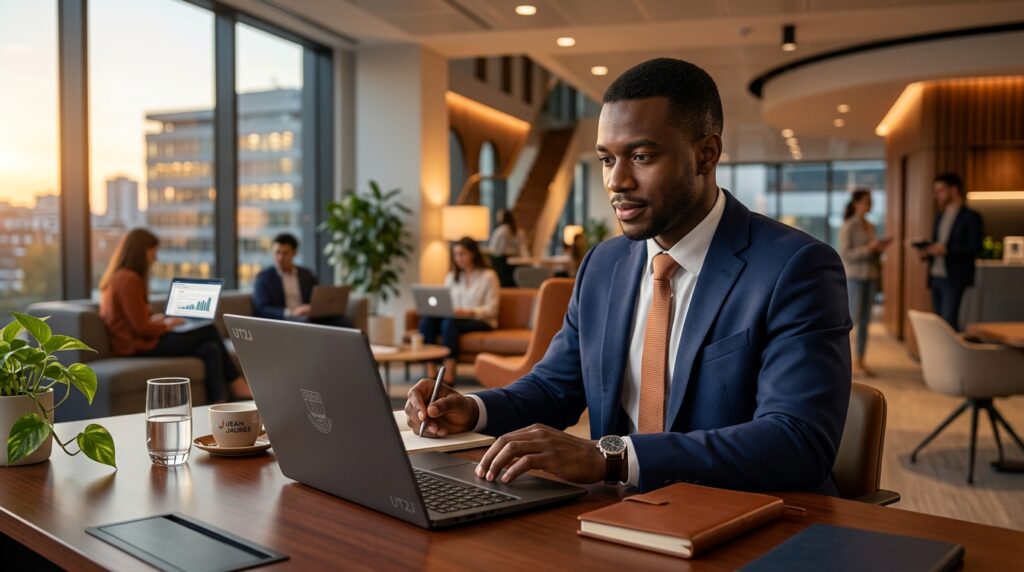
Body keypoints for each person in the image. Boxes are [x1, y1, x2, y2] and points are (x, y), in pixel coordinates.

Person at [405, 58, 852, 494]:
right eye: (605, 159)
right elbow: (554, 388)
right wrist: (472, 407)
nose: (617, 181)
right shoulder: (603, 265)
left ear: (706, 154)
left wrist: (611, 457)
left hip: (749, 519)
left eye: (640, 156)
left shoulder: (795, 267)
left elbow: (797, 441)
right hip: (620, 516)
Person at [99, 228, 251, 402]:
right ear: (141, 252)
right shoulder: (128, 279)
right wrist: (167, 325)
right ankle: (236, 382)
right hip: (136, 346)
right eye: (153, 252)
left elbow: (133, 320)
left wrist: (158, 320)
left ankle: (218, 402)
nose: (155, 258)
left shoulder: (117, 278)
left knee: (211, 349)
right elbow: (141, 328)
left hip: (135, 342)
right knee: (208, 330)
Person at [419, 236, 500, 385]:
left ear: (473, 254)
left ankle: (449, 373)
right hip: (454, 318)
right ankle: (430, 371)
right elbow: (445, 302)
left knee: (449, 324)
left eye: (462, 254)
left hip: (481, 320)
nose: (458, 258)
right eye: (456, 254)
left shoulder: (488, 276)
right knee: (427, 320)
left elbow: (492, 309)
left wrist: (468, 312)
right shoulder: (451, 277)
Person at [921, 173, 983, 331]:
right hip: (936, 275)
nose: (936, 195)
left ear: (954, 190)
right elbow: (937, 242)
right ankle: (941, 356)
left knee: (949, 322)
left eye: (940, 190)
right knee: (938, 322)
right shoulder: (940, 216)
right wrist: (927, 251)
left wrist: (946, 250)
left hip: (954, 276)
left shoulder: (971, 217)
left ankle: (952, 355)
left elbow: (975, 247)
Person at [251, 233, 354, 328]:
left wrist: (311, 308)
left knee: (343, 322)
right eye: (277, 253)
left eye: (285, 253)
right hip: (285, 319)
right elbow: (261, 308)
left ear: (294, 253)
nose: (280, 258)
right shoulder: (264, 277)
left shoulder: (306, 274)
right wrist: (290, 312)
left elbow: (318, 297)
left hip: (308, 315)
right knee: (307, 325)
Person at [839, 189, 890, 377]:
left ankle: (860, 359)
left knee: (866, 322)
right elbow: (845, 253)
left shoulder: (870, 225)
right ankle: (849, 361)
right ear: (856, 203)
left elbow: (871, 251)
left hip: (871, 276)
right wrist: (869, 248)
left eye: (871, 201)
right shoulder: (848, 226)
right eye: (867, 201)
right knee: (854, 321)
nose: (870, 204)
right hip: (855, 277)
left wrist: (879, 249)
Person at [488, 209, 529, 287]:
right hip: (515, 262)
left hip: (503, 263)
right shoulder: (518, 231)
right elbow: (523, 248)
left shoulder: (501, 231)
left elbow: (493, 248)